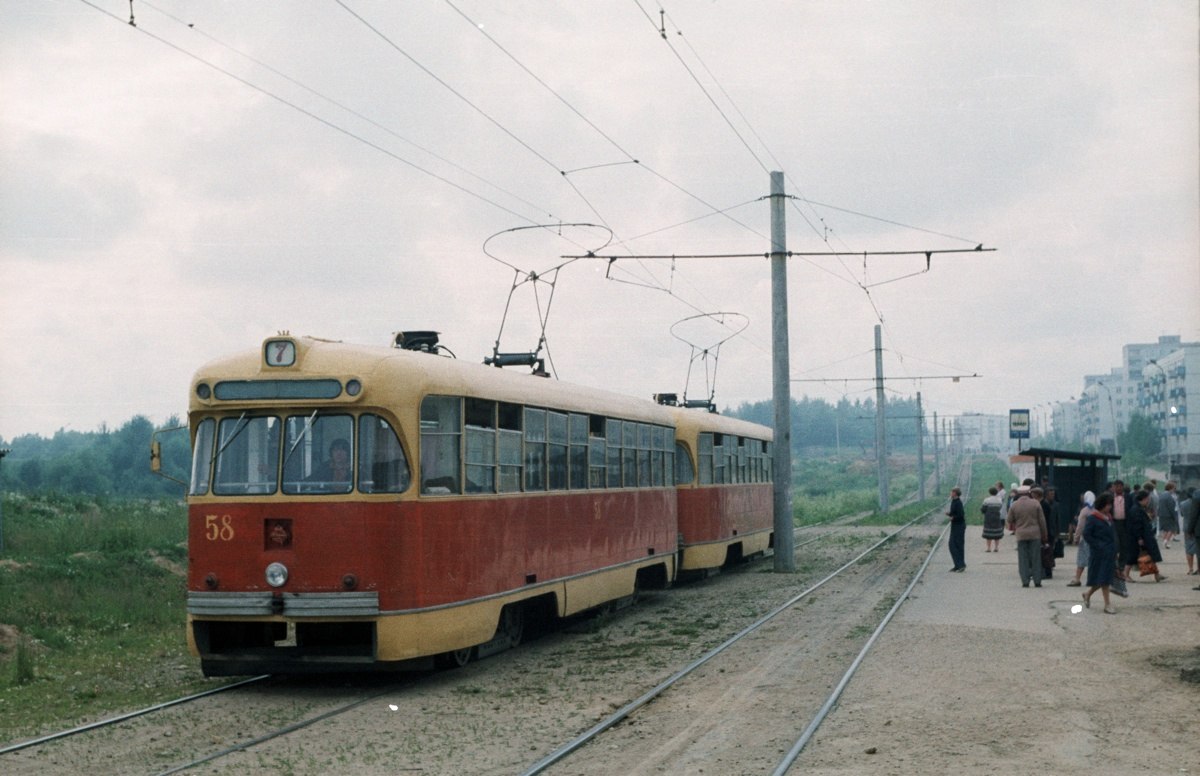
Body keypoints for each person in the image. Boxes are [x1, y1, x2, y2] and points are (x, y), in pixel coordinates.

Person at [1082, 491, 1119, 614]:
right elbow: (1087, 534)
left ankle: (1087, 594)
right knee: (1104, 579)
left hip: (1109, 551)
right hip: (1099, 553)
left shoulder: (1108, 517)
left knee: (1104, 578)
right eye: (1108, 504)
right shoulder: (1093, 518)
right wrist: (1098, 545)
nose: (1110, 507)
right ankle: (1107, 604)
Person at [1007, 485, 1049, 587]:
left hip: (1021, 535)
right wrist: (1044, 535)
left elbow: (1009, 520)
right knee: (1035, 558)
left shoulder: (1014, 505)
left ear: (1019, 494)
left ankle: (1025, 581)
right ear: (1029, 493)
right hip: (1035, 534)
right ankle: (1037, 581)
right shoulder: (1036, 504)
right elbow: (1042, 521)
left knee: (1023, 558)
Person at [1125, 489, 1167, 582]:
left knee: (1149, 554)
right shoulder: (1136, 509)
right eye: (1147, 499)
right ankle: (1126, 574)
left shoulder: (1137, 508)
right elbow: (1137, 525)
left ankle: (1157, 574)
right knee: (1133, 556)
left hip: (1142, 536)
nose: (1148, 502)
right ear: (1143, 499)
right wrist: (1139, 537)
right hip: (1140, 537)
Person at [1067, 490, 1095, 587]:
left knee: (1082, 560)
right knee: (1094, 560)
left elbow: (1080, 526)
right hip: (1096, 539)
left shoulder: (1084, 511)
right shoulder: (1097, 510)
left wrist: (1076, 538)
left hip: (1086, 539)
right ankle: (1093, 579)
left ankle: (1077, 579)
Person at [1041, 487, 1061, 579]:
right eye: (1050, 494)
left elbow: (1057, 519)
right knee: (1044, 551)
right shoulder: (1042, 504)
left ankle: (1049, 567)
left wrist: (1057, 533)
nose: (1052, 496)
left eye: (1053, 494)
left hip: (1052, 531)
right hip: (1044, 530)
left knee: (1050, 551)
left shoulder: (1056, 505)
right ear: (1046, 495)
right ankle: (1046, 568)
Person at [946, 486, 966, 572]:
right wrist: (950, 514)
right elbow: (955, 513)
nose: (950, 493)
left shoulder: (958, 502)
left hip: (959, 526)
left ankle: (961, 565)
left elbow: (961, 515)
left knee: (956, 545)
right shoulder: (954, 501)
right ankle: (957, 565)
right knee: (953, 545)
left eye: (951, 492)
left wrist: (953, 517)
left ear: (955, 493)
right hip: (955, 526)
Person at [980, 486, 1005, 552]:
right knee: (997, 534)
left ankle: (988, 548)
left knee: (988, 534)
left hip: (988, 518)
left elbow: (983, 509)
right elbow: (1000, 507)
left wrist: (984, 512)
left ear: (990, 492)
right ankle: (996, 547)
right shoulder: (999, 500)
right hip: (997, 517)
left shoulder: (986, 500)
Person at [1157, 481, 1180, 549]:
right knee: (1171, 529)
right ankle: (1165, 541)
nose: (1174, 490)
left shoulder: (1161, 495)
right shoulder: (1169, 497)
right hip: (1169, 515)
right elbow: (1171, 508)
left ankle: (1165, 542)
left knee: (1165, 530)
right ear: (1171, 488)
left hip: (1162, 515)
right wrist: (1175, 517)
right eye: (1174, 488)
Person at [1182, 487, 1199, 578]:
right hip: (1197, 528)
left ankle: (1190, 568)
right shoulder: (1197, 501)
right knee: (1198, 550)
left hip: (1187, 527)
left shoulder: (1183, 504)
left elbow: (1182, 514)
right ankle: (1198, 568)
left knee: (1188, 549)